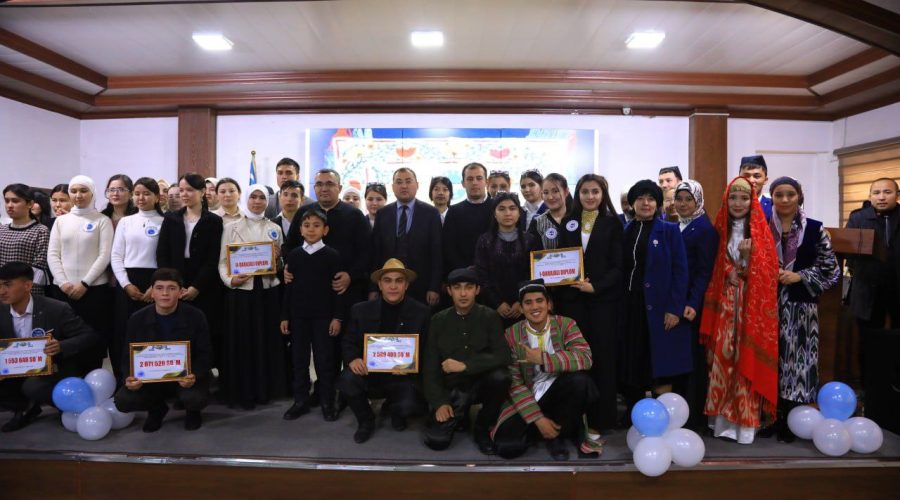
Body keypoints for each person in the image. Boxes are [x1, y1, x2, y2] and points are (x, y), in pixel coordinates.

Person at [701, 177, 778, 444]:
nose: (737, 203)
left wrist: (746, 261)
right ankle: (721, 422)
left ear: (752, 201)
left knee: (745, 359)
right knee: (723, 358)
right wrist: (729, 271)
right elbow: (712, 263)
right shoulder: (718, 228)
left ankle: (744, 425)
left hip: (749, 307)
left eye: (744, 198)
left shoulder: (761, 232)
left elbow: (768, 272)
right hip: (724, 305)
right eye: (733, 197)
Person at [284, 169, 371, 407]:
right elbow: (289, 246)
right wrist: (287, 267)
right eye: (319, 184)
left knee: (341, 344)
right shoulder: (304, 213)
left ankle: (343, 392)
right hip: (309, 297)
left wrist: (350, 275)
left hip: (344, 292)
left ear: (339, 188)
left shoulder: (354, 215)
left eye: (329, 184)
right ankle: (323, 392)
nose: (324, 188)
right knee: (319, 351)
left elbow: (366, 253)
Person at [492, 279, 602, 460]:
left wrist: (544, 359)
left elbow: (585, 358)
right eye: (528, 302)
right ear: (521, 308)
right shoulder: (511, 334)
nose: (534, 307)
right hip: (528, 396)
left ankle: (557, 435)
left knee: (581, 382)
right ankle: (543, 429)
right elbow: (514, 382)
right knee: (506, 447)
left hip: (559, 394)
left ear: (549, 304)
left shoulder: (566, 324)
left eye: (539, 301)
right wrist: (538, 418)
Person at [769, 176, 840, 442]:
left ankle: (793, 421)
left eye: (790, 194)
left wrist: (800, 276)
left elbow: (831, 270)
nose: (785, 199)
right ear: (772, 197)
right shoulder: (762, 227)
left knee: (797, 363)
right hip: (767, 307)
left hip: (801, 307)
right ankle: (771, 417)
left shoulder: (815, 229)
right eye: (779, 194)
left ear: (799, 196)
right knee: (771, 360)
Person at [618, 180, 692, 415]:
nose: (646, 203)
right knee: (634, 361)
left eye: (651, 199)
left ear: (658, 203)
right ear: (632, 203)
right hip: (630, 306)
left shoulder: (669, 231)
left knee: (660, 364)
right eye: (640, 198)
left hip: (660, 308)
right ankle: (635, 415)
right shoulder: (625, 230)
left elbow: (681, 272)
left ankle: (664, 416)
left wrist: (674, 308)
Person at [338, 259, 429, 443]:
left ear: (406, 285)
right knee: (347, 380)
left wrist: (412, 366)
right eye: (387, 281)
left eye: (399, 281)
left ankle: (395, 409)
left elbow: (427, 350)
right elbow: (348, 342)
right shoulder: (360, 310)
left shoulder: (422, 312)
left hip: (403, 377)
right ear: (380, 285)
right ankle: (366, 420)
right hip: (369, 374)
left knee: (409, 406)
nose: (393, 286)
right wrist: (353, 358)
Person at [0, 262, 99, 432]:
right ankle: (23, 408)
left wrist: (61, 346)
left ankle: (66, 405)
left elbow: (89, 336)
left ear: (28, 285)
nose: (1, 291)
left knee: (33, 386)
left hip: (53, 369)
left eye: (7, 285)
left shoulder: (56, 308)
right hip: (12, 370)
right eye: (0, 285)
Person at [557, 174, 622, 431]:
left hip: (602, 303)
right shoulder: (568, 222)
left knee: (602, 360)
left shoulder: (613, 224)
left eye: (595, 191)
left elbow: (618, 267)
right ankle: (574, 419)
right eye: (585, 191)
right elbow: (560, 260)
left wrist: (595, 287)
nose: (590, 196)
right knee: (575, 360)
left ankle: (603, 419)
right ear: (578, 194)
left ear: (603, 194)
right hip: (573, 303)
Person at [422, 267, 510, 454]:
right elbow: (430, 366)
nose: (463, 293)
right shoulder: (438, 320)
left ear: (477, 290)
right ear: (449, 291)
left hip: (480, 384)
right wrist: (439, 402)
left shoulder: (490, 316)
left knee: (502, 377)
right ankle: (459, 416)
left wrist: (466, 365)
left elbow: (503, 355)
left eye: (469, 287)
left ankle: (482, 427)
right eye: (457, 288)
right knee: (437, 442)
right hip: (452, 389)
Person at [113, 268, 211, 432]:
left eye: (171, 288)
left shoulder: (196, 316)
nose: (165, 293)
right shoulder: (137, 319)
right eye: (159, 288)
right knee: (124, 400)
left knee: (195, 398)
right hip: (151, 379)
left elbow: (205, 355)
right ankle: (156, 409)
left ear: (181, 292)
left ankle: (192, 411)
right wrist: (129, 378)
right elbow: (127, 357)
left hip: (185, 377)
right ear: (152, 292)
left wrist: (194, 375)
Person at [217, 185, 286, 409]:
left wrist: (277, 259)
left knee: (266, 341)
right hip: (241, 292)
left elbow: (280, 266)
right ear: (246, 199)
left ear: (268, 201)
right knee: (243, 343)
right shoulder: (231, 227)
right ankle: (244, 392)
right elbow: (222, 262)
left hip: (267, 292)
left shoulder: (274, 228)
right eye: (253, 197)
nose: (257, 201)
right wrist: (230, 280)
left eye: (261, 198)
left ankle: (265, 391)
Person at [156, 173, 224, 375]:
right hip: (175, 279)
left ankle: (201, 375)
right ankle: (175, 374)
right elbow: (162, 253)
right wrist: (172, 285)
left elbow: (213, 259)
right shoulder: (171, 218)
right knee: (177, 330)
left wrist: (196, 287)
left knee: (203, 331)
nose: (184, 194)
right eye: (182, 190)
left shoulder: (213, 221)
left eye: (190, 190)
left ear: (202, 192)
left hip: (204, 283)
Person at [281, 209, 344, 421]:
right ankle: (300, 400)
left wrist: (337, 317)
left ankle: (327, 401)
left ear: (325, 230)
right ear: (300, 229)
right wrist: (284, 316)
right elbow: (288, 289)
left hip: (323, 317)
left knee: (324, 360)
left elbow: (338, 290)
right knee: (298, 360)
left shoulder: (332, 255)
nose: (311, 229)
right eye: (306, 225)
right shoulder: (294, 255)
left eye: (316, 225)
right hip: (298, 316)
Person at [47, 175, 114, 369]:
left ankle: (92, 374)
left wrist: (85, 283)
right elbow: (53, 254)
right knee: (64, 337)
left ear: (92, 193)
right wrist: (63, 283)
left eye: (83, 191)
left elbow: (104, 255)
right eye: (74, 191)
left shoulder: (102, 220)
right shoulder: (61, 221)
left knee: (92, 338)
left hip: (94, 290)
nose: (78, 195)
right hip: (62, 290)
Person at [673, 179, 719, 430]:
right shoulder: (677, 224)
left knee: (692, 362)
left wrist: (693, 301)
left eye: (688, 199)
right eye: (679, 199)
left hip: (691, 305)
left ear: (698, 201)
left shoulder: (704, 229)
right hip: (676, 301)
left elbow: (704, 271)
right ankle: (679, 414)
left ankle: (693, 420)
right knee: (679, 359)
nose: (683, 204)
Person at [110, 177, 165, 382]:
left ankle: (155, 378)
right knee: (125, 332)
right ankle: (125, 378)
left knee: (153, 331)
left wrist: (155, 286)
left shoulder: (167, 222)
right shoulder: (125, 222)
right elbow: (116, 256)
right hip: (128, 282)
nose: (141, 198)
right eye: (137, 193)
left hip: (156, 282)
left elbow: (167, 257)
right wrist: (126, 284)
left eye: (147, 193)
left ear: (157, 197)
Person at [370, 168, 443, 306]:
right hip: (388, 285)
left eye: (408, 181)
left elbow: (437, 253)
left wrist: (434, 287)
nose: (404, 186)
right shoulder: (382, 214)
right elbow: (376, 253)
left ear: (417, 185)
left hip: (421, 285)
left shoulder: (431, 213)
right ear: (393, 187)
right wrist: (373, 287)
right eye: (399, 182)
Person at [474, 192, 538, 327]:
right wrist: (497, 303)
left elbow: (533, 273)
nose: (507, 213)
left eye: (512, 208)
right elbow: (482, 275)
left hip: (524, 306)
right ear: (494, 214)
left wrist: (520, 301)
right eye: (502, 209)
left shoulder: (530, 240)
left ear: (519, 213)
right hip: (492, 307)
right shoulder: (484, 241)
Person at [846, 177, 900, 332]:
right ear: (870, 196)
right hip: (867, 288)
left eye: (887, 192)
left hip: (897, 285)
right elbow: (849, 252)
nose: (881, 197)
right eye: (876, 193)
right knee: (868, 337)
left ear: (897, 195)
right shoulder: (858, 217)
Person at [443, 163, 493, 274]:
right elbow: (448, 247)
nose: (474, 182)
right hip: (462, 275)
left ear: (487, 182)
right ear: (463, 183)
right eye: (470, 179)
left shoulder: (498, 208)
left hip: (494, 273)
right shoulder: (454, 211)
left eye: (479, 178)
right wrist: (464, 270)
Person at [1, 185, 50, 296]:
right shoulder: (2, 229)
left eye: (15, 201)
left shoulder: (40, 231)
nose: (9, 205)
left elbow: (39, 266)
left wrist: (15, 287)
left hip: (28, 291)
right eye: (7, 201)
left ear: (30, 204)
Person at [528, 173, 570, 250]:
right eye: (546, 193)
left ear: (566, 192)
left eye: (555, 191)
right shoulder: (537, 222)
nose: (550, 197)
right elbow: (533, 253)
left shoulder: (577, 217)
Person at [271, 180, 304, 246]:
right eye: (285, 195)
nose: (289, 199)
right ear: (280, 198)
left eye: (294, 195)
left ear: (302, 200)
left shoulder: (308, 223)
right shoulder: (271, 224)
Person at [739, 155, 772, 220]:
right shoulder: (732, 205)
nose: (751, 180)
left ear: (765, 180)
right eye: (746, 176)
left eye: (757, 176)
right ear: (739, 179)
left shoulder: (773, 207)